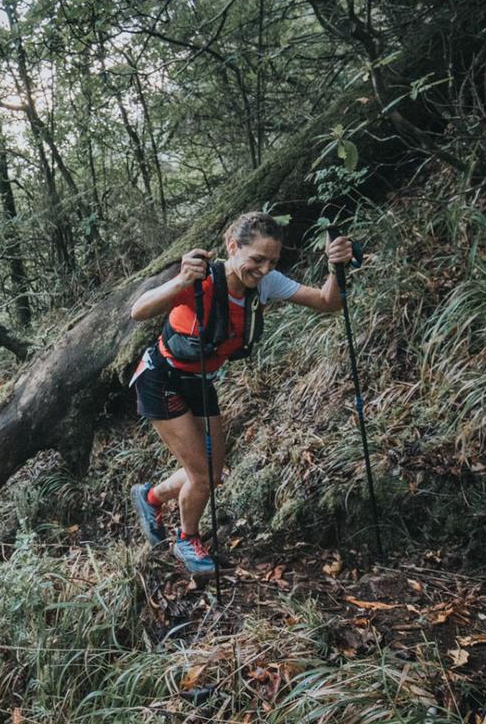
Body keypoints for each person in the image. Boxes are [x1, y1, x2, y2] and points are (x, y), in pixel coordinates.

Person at [127, 211, 354, 575]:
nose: (265, 269)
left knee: (211, 474)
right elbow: (138, 311)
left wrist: (336, 266)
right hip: (160, 377)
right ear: (232, 247)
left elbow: (328, 302)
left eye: (273, 261)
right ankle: (188, 541)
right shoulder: (199, 280)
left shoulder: (264, 283)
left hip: (199, 379)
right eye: (257, 259)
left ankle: (150, 496)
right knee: (201, 476)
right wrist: (181, 280)